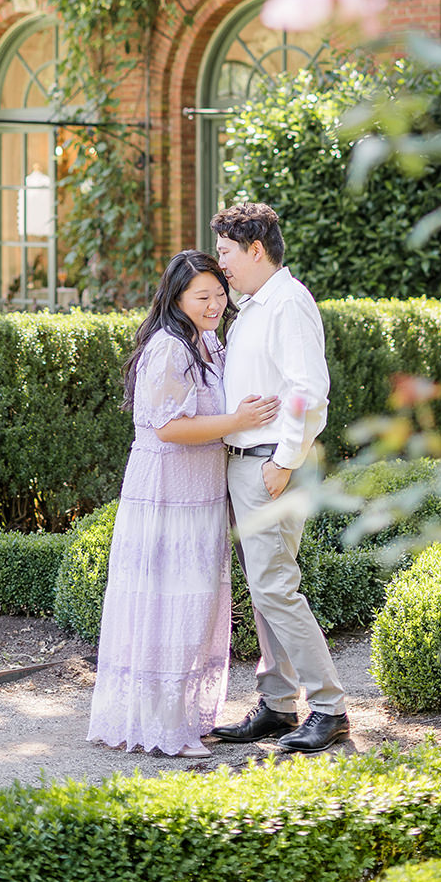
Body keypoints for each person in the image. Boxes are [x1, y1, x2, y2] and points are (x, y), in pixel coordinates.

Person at [87, 249, 279, 758]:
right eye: (203, 296)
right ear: (176, 298)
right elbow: (169, 429)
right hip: (167, 491)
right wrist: (239, 421)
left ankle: (179, 720)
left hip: (200, 491)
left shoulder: (207, 340)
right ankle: (162, 728)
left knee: (194, 605)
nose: (215, 303)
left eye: (219, 293)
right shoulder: (170, 347)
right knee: (166, 603)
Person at [208, 202, 350, 754]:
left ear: (255, 250)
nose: (222, 265)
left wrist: (283, 461)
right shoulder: (256, 305)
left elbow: (308, 389)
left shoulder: (287, 303)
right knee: (266, 591)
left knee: (275, 588)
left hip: (269, 463)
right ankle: (278, 705)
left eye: (225, 253)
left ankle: (330, 708)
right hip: (251, 462)